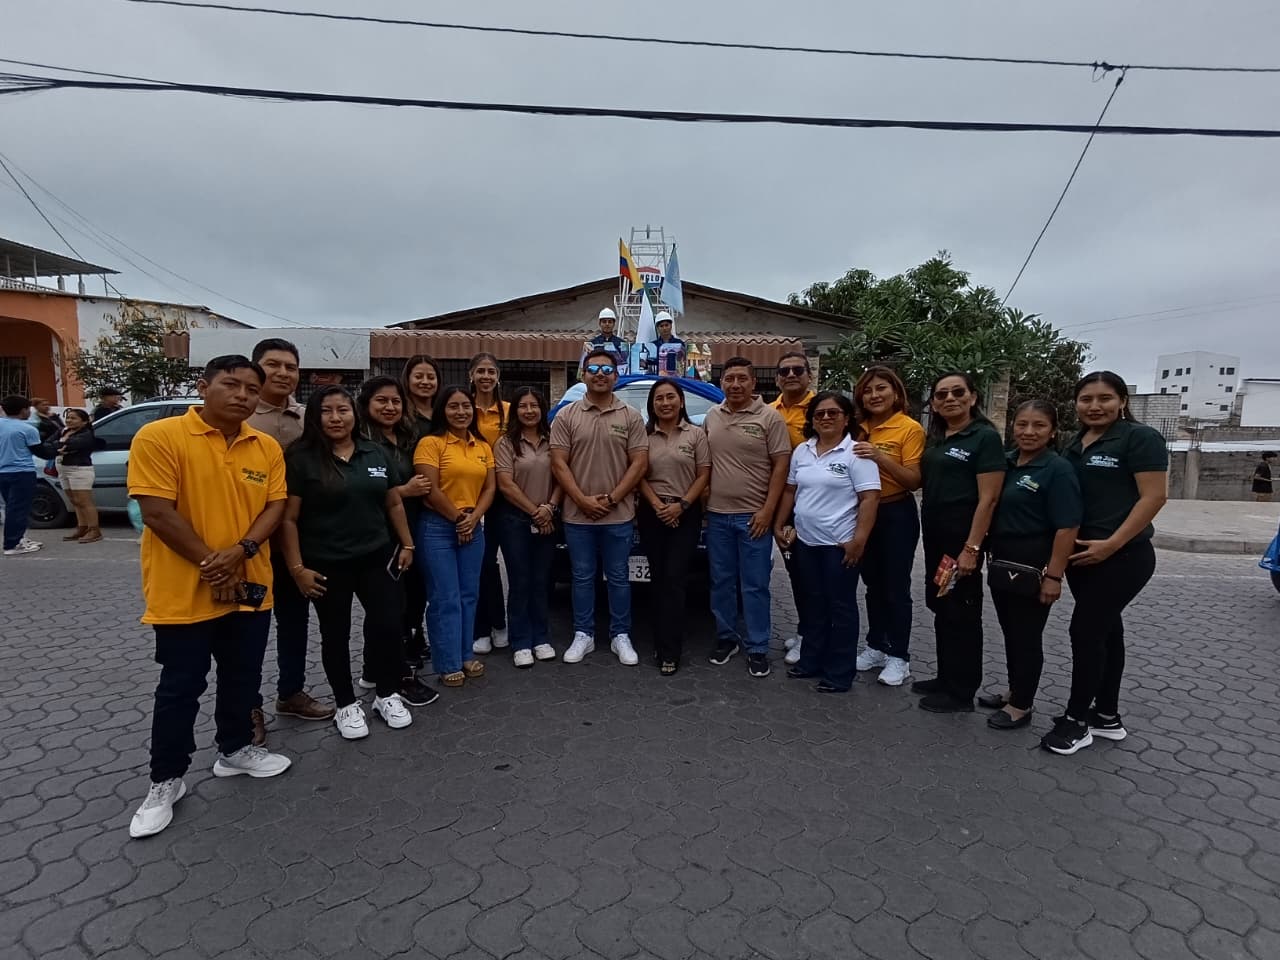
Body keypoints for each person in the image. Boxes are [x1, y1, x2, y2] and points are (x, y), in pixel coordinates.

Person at [126, 355, 292, 839]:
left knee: (242, 676)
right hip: (182, 592)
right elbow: (157, 512)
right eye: (231, 384)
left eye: (252, 389)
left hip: (249, 586)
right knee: (181, 686)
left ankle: (235, 750)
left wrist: (240, 553)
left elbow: (275, 505)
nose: (243, 395)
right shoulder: (160, 437)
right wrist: (211, 564)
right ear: (203, 386)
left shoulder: (264, 446)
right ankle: (166, 780)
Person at [280, 386, 417, 740]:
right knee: (335, 634)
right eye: (327, 411)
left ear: (354, 414)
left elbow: (393, 503)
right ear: (315, 416)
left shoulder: (374, 452)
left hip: (377, 557)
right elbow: (288, 519)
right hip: (327, 564)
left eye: (343, 410)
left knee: (388, 626)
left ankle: (386, 694)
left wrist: (407, 543)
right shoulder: (301, 458)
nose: (336, 418)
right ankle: (345, 704)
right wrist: (297, 569)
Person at [1042, 372, 1168, 756]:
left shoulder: (1139, 438)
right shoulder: (1075, 442)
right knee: (1107, 632)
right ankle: (1107, 716)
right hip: (1083, 556)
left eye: (1105, 398)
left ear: (1122, 401)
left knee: (1085, 632)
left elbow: (1154, 496)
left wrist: (1112, 544)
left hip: (1123, 556)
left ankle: (1077, 721)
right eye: (1086, 399)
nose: (1095, 406)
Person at [246, 338, 333, 744]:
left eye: (290, 367)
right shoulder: (243, 417)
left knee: (294, 622)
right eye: (273, 365)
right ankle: (248, 706)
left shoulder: (306, 418)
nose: (283, 373)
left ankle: (291, 692)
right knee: (248, 630)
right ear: (256, 369)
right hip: (251, 543)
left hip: (297, 542)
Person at [979, 401, 1081, 731]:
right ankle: (1014, 689)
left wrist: (1054, 576)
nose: (1028, 432)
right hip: (1002, 560)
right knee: (1011, 631)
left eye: (1039, 425)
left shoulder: (1057, 469)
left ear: (1052, 432)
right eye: (1022, 424)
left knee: (1026, 635)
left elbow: (1067, 526)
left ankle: (1021, 705)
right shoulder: (1007, 462)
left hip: (1034, 564)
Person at [775, 392, 881, 693]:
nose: (825, 418)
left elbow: (870, 498)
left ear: (846, 419)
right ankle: (811, 661)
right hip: (806, 543)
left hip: (839, 546)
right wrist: (780, 524)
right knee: (813, 604)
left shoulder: (856, 453)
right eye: (819, 413)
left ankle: (839, 673)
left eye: (833, 413)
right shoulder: (803, 451)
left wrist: (859, 540)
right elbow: (790, 491)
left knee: (840, 608)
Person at [912, 372, 1005, 713]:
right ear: (934, 403)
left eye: (957, 392)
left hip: (961, 540)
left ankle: (961, 691)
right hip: (936, 538)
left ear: (972, 397)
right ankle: (946, 677)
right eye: (941, 395)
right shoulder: (937, 437)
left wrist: (972, 548)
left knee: (961, 611)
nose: (949, 399)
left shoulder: (983, 437)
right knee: (941, 604)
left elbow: (989, 499)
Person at [550, 349, 649, 665]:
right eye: (593, 369)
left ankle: (621, 634)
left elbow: (639, 463)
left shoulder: (630, 416)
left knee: (618, 577)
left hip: (618, 515)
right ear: (583, 375)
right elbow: (558, 463)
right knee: (582, 577)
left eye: (606, 369)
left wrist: (613, 498)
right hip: (577, 515)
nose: (600, 374)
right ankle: (584, 633)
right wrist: (581, 499)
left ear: (616, 376)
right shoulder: (567, 416)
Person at [704, 357, 792, 678]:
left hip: (754, 518)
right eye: (729, 379)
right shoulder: (712, 416)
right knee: (722, 583)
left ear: (754, 383)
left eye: (742, 378)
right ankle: (727, 638)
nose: (736, 384)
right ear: (721, 383)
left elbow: (781, 466)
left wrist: (768, 511)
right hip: (717, 517)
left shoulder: (770, 418)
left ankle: (757, 646)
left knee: (755, 585)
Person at [357, 376, 439, 705]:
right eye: (382, 401)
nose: (390, 407)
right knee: (389, 608)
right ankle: (397, 677)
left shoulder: (405, 438)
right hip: (380, 536)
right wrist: (406, 490)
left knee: (407, 602)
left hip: (411, 530)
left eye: (395, 401)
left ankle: (374, 668)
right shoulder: (360, 442)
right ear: (366, 404)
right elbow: (362, 492)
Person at [414, 385, 496, 687]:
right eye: (453, 406)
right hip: (438, 527)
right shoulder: (430, 443)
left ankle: (465, 654)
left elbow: (490, 488)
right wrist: (459, 519)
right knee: (444, 598)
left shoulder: (482, 446)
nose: (461, 412)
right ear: (442, 410)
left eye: (466, 406)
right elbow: (430, 489)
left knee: (469, 595)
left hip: (473, 525)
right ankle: (447, 662)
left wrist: (473, 519)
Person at [851, 365, 926, 687]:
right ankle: (876, 646)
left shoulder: (909, 428)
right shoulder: (856, 428)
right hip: (863, 512)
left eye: (881, 388)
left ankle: (899, 656)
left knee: (896, 587)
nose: (874, 395)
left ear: (896, 393)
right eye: (867, 390)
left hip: (896, 512)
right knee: (873, 585)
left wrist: (879, 457)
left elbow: (913, 480)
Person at [636, 378, 711, 675]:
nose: (665, 403)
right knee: (658, 579)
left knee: (675, 578)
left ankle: (671, 649)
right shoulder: (643, 436)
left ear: (681, 401)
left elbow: (703, 474)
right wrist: (658, 506)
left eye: (670, 397)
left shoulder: (696, 434)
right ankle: (660, 641)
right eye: (659, 398)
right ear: (652, 405)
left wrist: (682, 505)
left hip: (685, 513)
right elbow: (638, 474)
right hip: (651, 512)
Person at [493, 387, 562, 668]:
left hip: (547, 518)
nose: (529, 411)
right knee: (520, 581)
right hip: (515, 520)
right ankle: (521, 641)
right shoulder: (506, 443)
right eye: (523, 406)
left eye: (534, 405)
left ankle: (541, 637)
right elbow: (505, 485)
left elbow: (562, 477)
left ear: (542, 409)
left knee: (541, 580)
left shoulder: (554, 439)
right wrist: (535, 512)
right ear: (515, 410)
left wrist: (549, 508)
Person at [770, 352, 816, 666]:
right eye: (784, 371)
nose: (790, 375)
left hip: (816, 505)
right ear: (777, 378)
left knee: (816, 575)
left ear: (809, 375)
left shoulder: (821, 410)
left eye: (797, 370)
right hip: (784, 504)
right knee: (797, 572)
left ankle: (813, 637)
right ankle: (805, 631)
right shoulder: (769, 411)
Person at [469, 352, 511, 655]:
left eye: (491, 371)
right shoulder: (462, 408)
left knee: (508, 563)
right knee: (481, 564)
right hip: (472, 497)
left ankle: (501, 625)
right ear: (471, 375)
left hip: (506, 497)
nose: (486, 376)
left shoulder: (508, 412)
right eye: (480, 371)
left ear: (498, 376)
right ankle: (483, 628)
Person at [1, 394, 54, 556]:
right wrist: (58, 449)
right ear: (23, 410)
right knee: (18, 509)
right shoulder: (27, 429)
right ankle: (12, 544)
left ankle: (20, 538)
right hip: (22, 472)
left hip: (2, 472)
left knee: (11, 507)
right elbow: (41, 452)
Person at [55, 408, 101, 543]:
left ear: (84, 422)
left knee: (84, 501)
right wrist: (58, 446)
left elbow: (70, 444)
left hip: (79, 469)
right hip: (63, 468)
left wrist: (59, 445)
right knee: (74, 500)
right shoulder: (63, 431)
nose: (69, 420)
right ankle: (82, 527)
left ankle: (94, 529)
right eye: (68, 417)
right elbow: (49, 442)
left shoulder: (86, 434)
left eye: (73, 418)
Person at [402, 354, 441, 439]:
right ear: (407, 380)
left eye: (431, 378)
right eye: (418, 377)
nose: (425, 382)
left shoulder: (444, 414)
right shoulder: (401, 415)